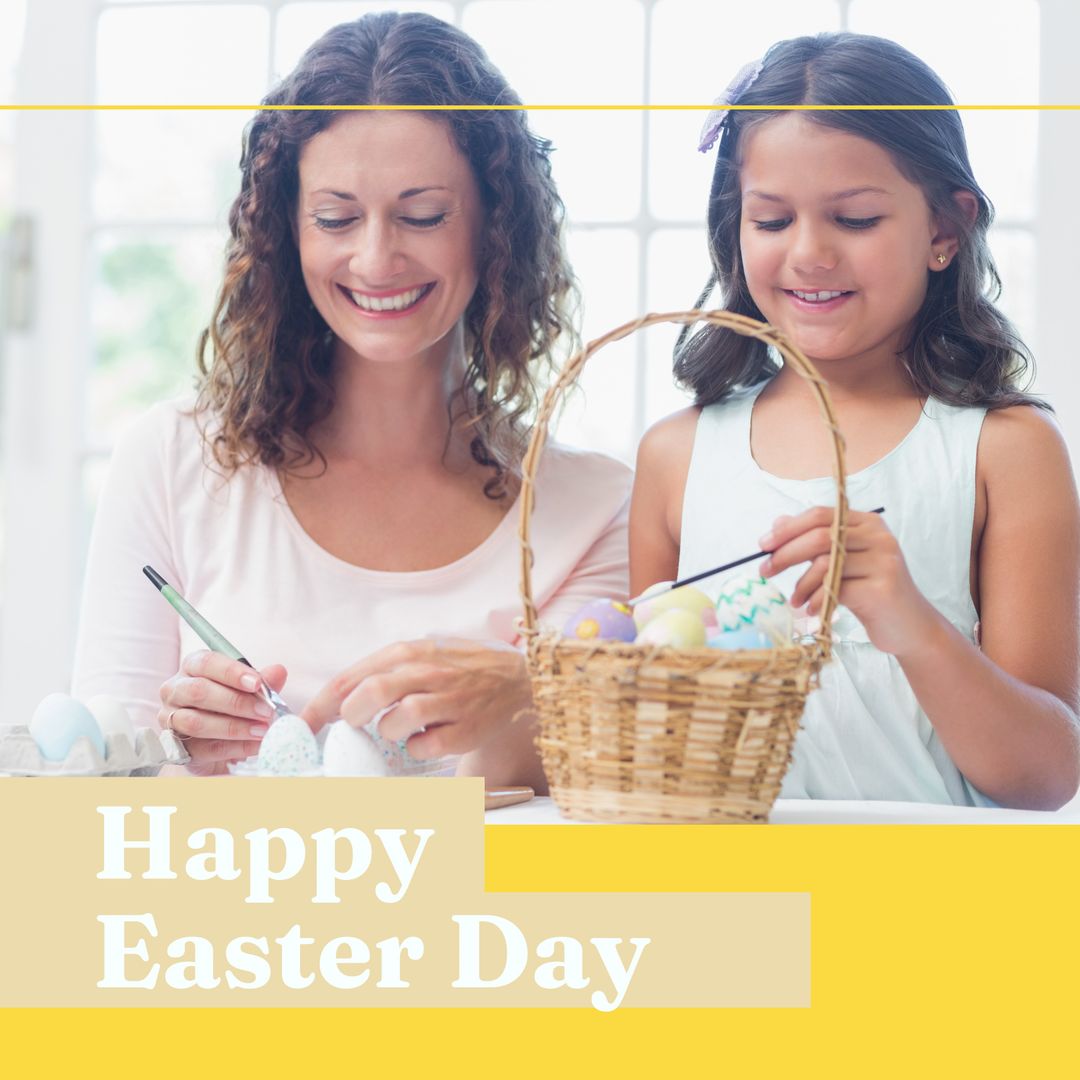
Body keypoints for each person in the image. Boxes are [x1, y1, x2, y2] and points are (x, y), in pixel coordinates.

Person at [72, 12, 630, 787]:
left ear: (495, 225)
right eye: (335, 218)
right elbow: (93, 787)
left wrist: (522, 696)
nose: (375, 259)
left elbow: (594, 781)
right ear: (286, 232)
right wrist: (179, 755)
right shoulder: (172, 461)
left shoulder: (591, 507)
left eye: (423, 215)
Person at [630, 33, 1080, 810]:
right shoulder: (677, 455)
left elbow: (1044, 777)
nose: (809, 254)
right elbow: (646, 740)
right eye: (770, 222)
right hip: (723, 902)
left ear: (945, 229)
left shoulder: (1005, 451)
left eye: (857, 219)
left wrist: (911, 623)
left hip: (921, 911)